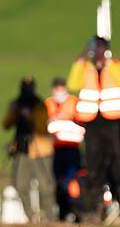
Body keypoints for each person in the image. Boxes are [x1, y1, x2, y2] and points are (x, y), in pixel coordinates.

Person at [67, 36, 120, 222]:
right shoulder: (85, 68)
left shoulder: (115, 66)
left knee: (119, 164)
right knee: (94, 166)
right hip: (93, 123)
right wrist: (82, 57)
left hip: (113, 123)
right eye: (95, 48)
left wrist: (109, 62)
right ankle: (96, 208)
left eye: (101, 48)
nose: (97, 52)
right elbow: (73, 83)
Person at [2, 76, 57, 222]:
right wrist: (14, 111)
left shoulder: (40, 105)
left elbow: (41, 128)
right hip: (21, 150)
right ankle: (31, 217)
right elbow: (6, 125)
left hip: (41, 150)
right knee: (20, 185)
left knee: (46, 186)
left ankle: (51, 219)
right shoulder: (16, 104)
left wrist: (29, 116)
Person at [44, 77, 83, 221]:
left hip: (72, 147)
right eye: (57, 89)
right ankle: (62, 212)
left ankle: (77, 211)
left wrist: (68, 117)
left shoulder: (73, 102)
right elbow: (43, 123)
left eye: (62, 89)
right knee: (58, 181)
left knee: (72, 181)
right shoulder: (48, 103)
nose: (59, 92)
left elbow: (82, 120)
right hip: (55, 149)